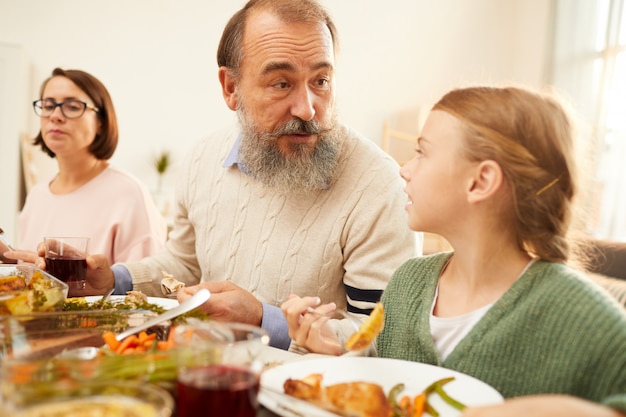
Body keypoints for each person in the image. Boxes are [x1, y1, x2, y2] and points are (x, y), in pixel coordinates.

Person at [21, 0, 416, 350]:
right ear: (230, 87)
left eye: (321, 81)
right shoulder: (202, 160)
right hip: (208, 378)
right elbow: (185, 263)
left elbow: (386, 338)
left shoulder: (378, 185)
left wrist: (265, 319)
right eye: (282, 83)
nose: (308, 109)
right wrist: (112, 281)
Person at [282, 86, 626, 416]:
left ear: (480, 182)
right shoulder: (407, 284)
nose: (405, 169)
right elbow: (379, 377)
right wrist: (336, 351)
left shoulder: (586, 319)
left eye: (422, 152)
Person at [12, 68, 168, 266]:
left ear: (101, 122)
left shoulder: (128, 193)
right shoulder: (36, 195)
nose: (55, 116)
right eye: (48, 105)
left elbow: (145, 287)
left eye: (73, 107)